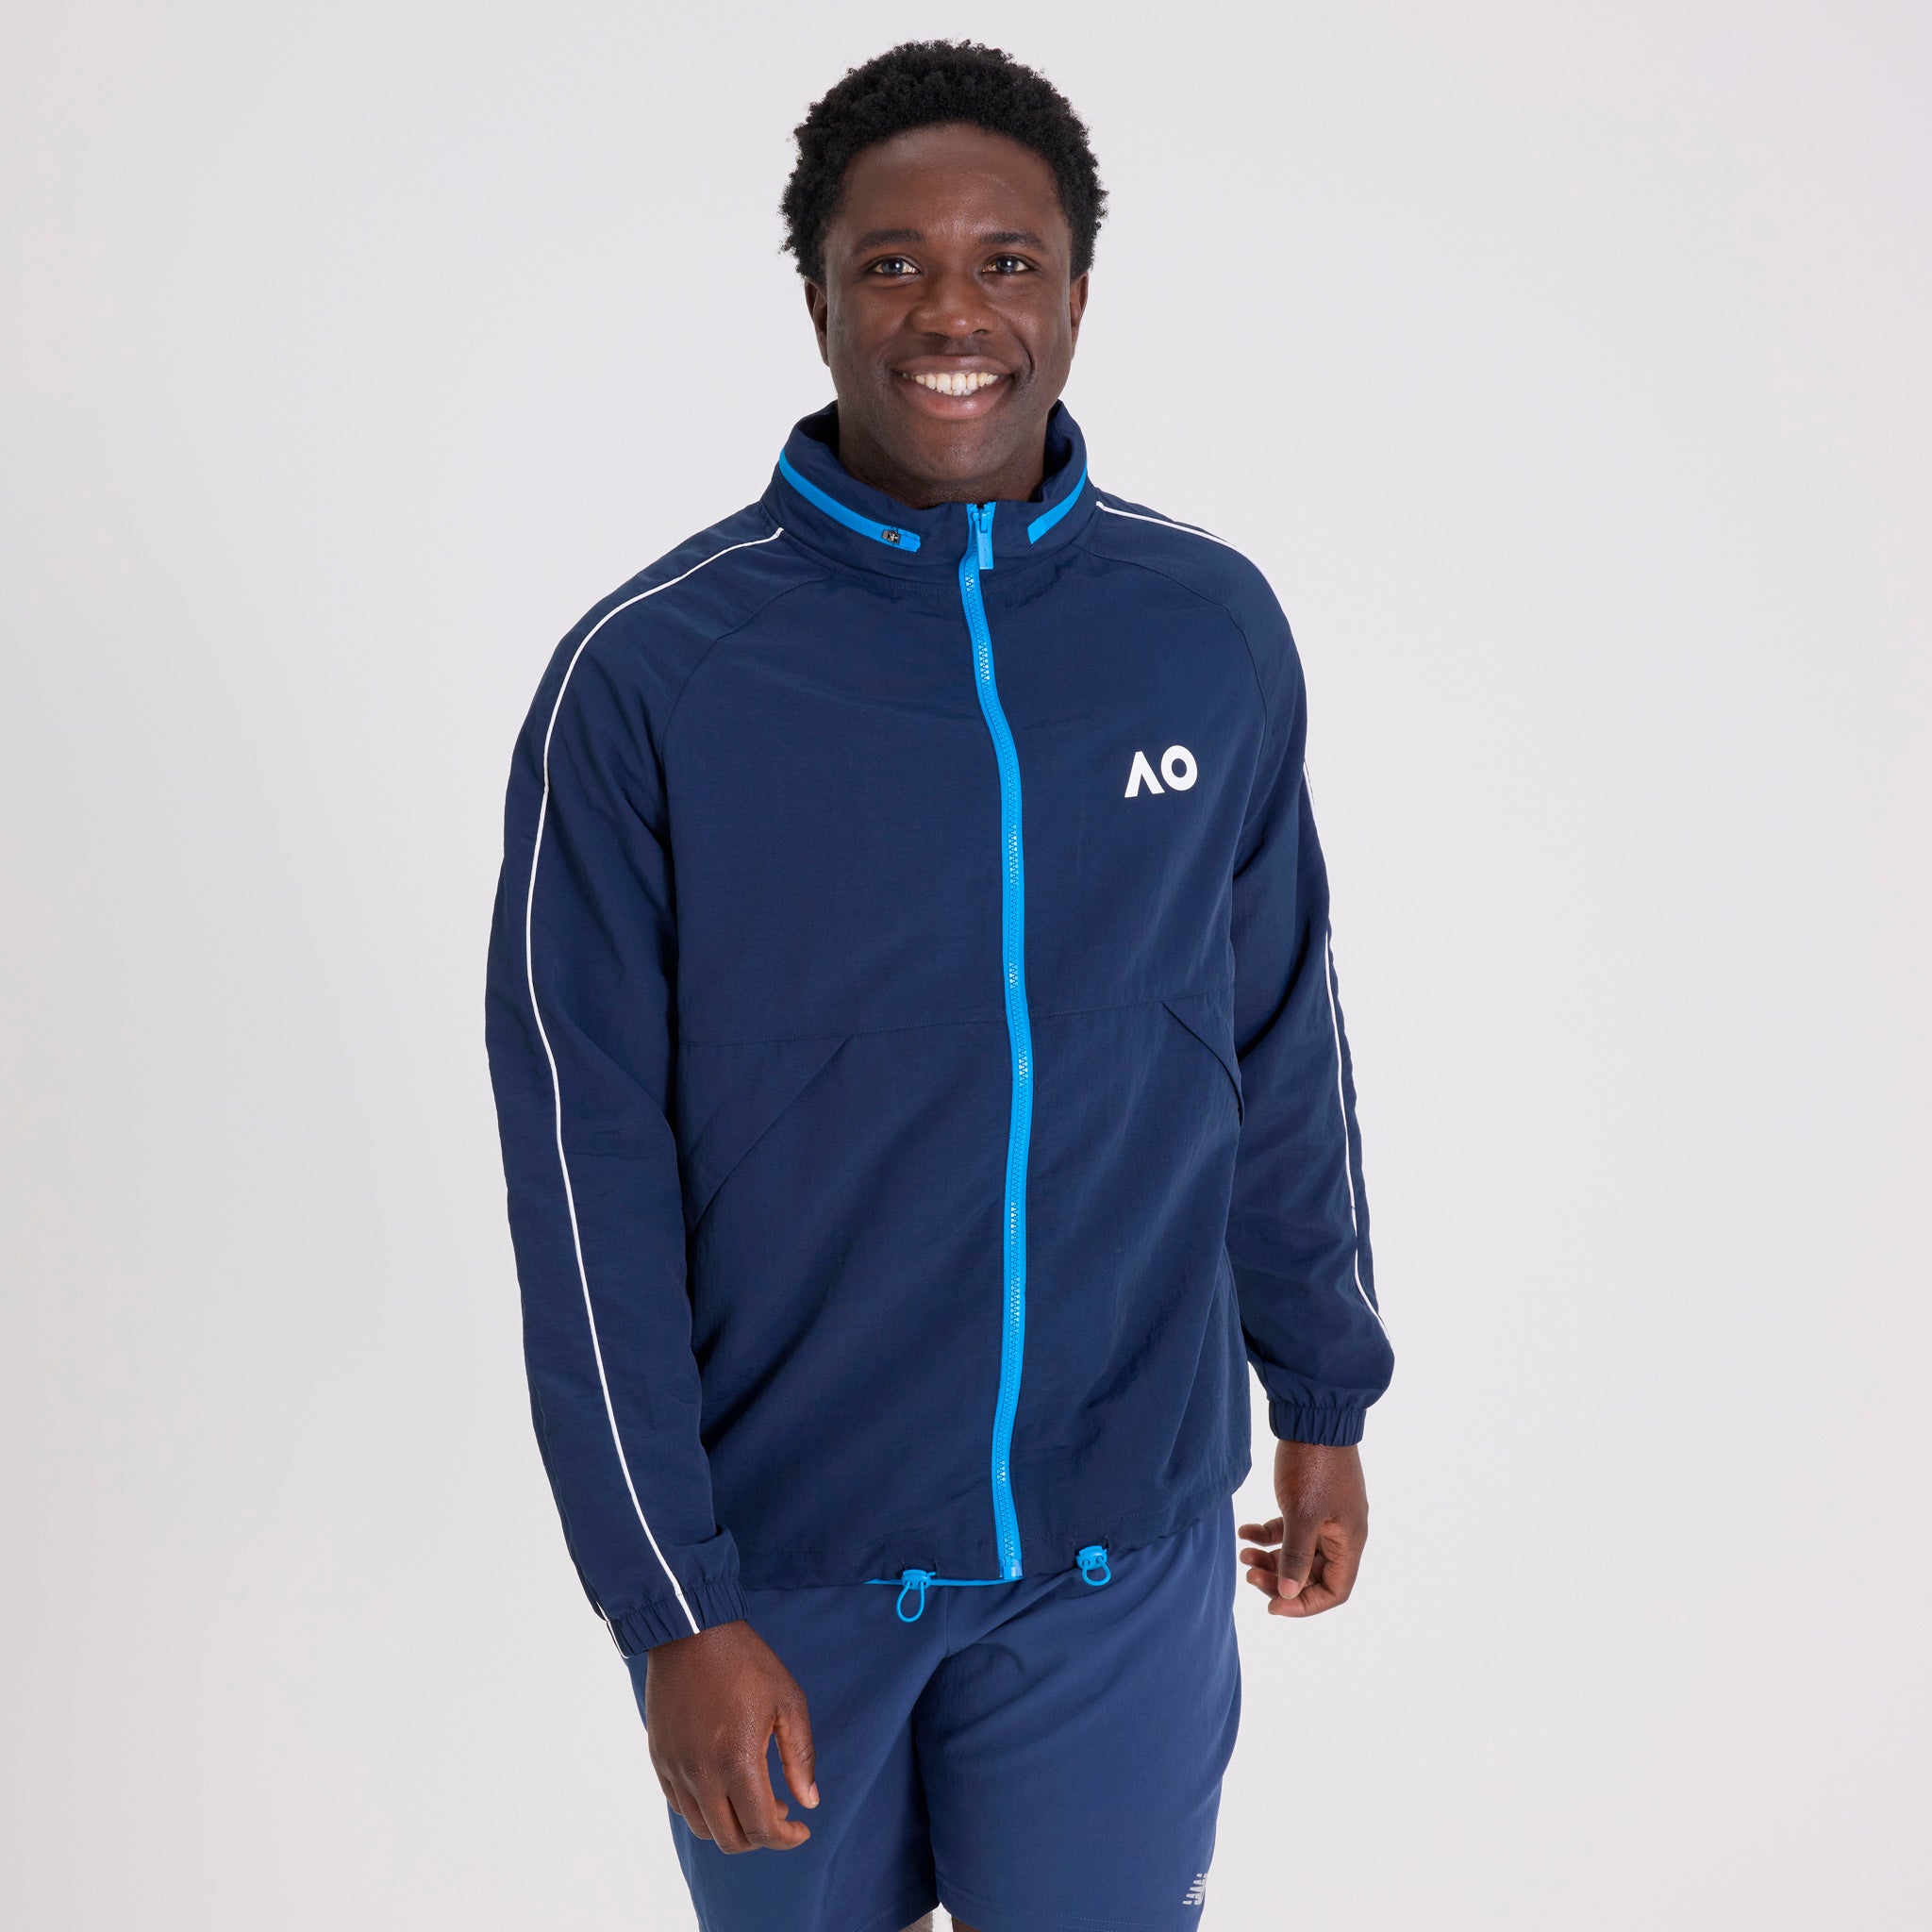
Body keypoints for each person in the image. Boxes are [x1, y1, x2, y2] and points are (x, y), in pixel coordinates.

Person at [485, 39, 1392, 1932]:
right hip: (790, 1570)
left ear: (1077, 293)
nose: (953, 313)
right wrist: (670, 1604)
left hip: (1121, 1547)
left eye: (1007, 261)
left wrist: (1322, 1390)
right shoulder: (651, 683)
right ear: (817, 295)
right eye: (891, 263)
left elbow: (1275, 1036)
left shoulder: (1202, 632)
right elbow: (585, 1181)